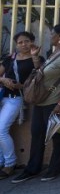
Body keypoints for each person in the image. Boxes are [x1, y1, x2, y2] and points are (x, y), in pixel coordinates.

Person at [11, 24, 60, 183]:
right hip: (42, 100)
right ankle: (33, 168)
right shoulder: (55, 52)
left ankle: (56, 167)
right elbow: (42, 73)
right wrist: (35, 57)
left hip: (57, 100)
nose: (50, 37)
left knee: (57, 134)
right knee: (37, 133)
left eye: (52, 34)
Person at [0, 32, 43, 180]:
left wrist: (35, 56)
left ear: (32, 42)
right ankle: (1, 161)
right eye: (20, 42)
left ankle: (10, 164)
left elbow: (39, 74)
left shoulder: (37, 58)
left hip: (16, 98)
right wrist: (3, 80)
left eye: (27, 41)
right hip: (3, 96)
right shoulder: (10, 58)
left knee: (1, 130)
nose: (24, 44)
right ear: (16, 44)